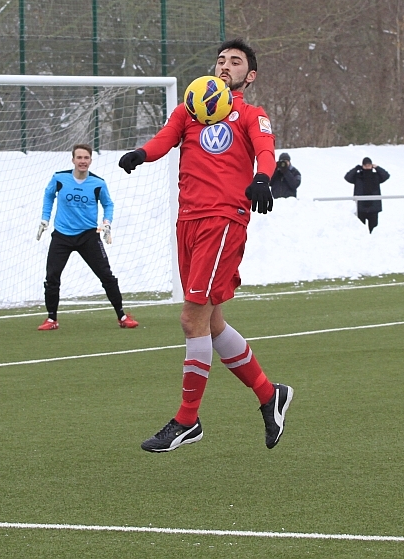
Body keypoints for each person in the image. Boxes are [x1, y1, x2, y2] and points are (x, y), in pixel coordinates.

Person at [118, 38, 293, 453]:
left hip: (223, 221)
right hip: (188, 222)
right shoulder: (190, 109)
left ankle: (187, 420)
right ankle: (270, 394)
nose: (225, 66)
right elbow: (164, 139)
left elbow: (266, 151)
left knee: (191, 318)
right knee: (211, 324)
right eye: (221, 60)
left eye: (235, 62)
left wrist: (263, 178)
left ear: (250, 76)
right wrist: (141, 154)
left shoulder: (250, 114)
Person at [37, 143, 139, 331]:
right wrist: (45, 218)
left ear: (91, 160)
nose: (82, 161)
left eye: (86, 158)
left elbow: (108, 204)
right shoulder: (59, 178)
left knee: (106, 275)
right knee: (52, 276)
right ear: (73, 159)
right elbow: (48, 195)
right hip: (62, 235)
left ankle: (122, 316)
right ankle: (51, 319)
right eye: (79, 157)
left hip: (88, 236)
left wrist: (107, 222)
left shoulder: (98, 183)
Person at [344, 158, 390, 233]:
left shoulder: (376, 176)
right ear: (362, 166)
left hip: (373, 207)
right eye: (365, 165)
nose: (367, 167)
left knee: (374, 230)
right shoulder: (358, 176)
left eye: (369, 165)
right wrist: (355, 169)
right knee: (360, 231)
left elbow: (386, 176)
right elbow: (347, 177)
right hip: (360, 208)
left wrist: (377, 168)